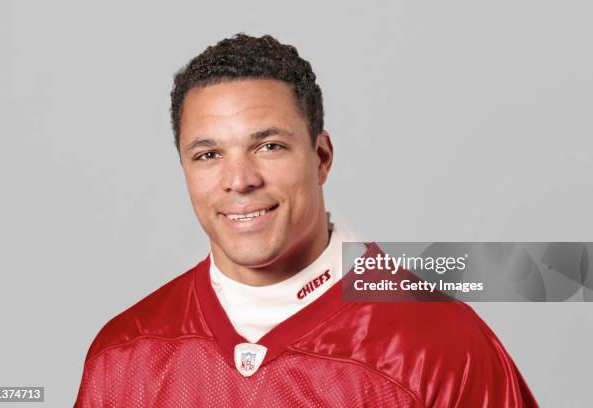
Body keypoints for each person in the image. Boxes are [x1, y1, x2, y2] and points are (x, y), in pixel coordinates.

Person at [74, 33, 538, 407]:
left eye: (269, 146)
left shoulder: (437, 347)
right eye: (209, 154)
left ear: (321, 157)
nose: (239, 180)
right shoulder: (125, 354)